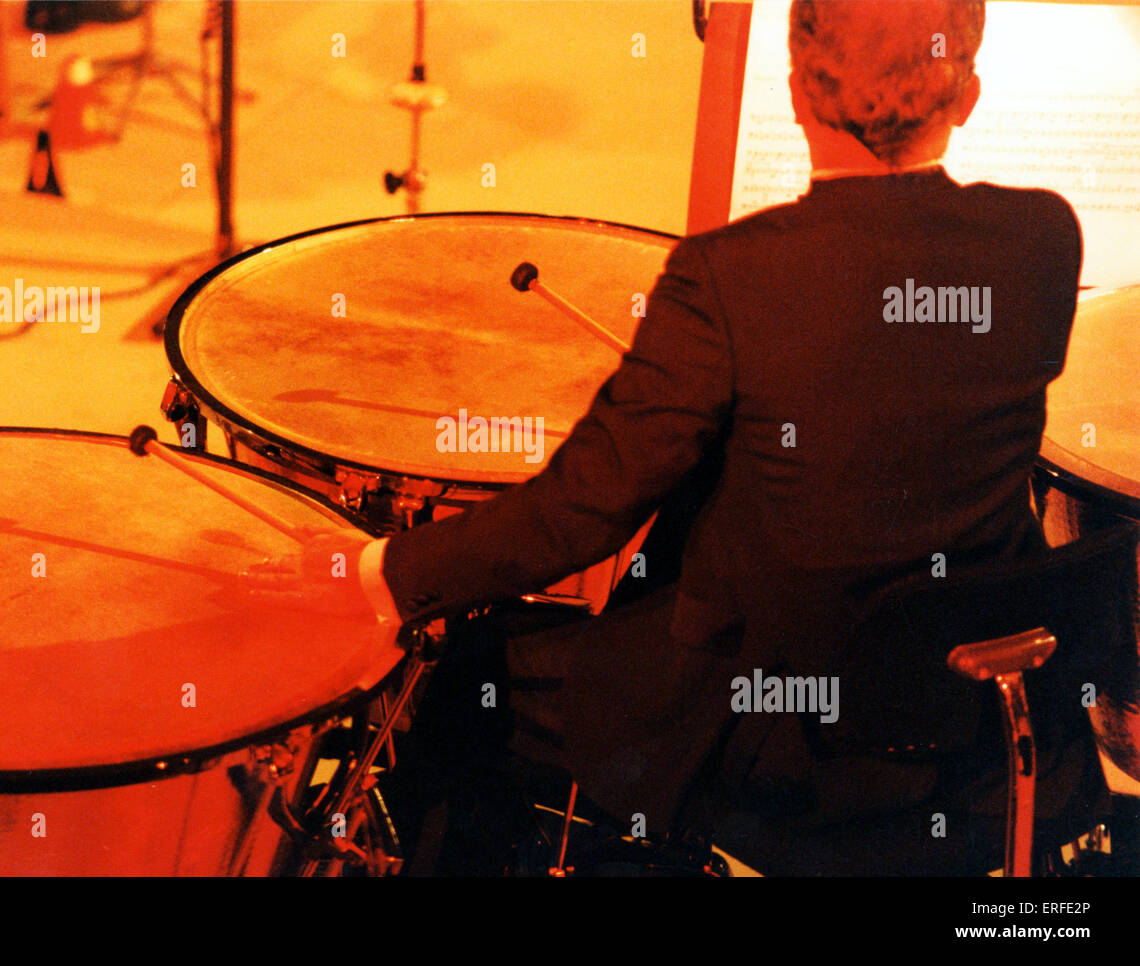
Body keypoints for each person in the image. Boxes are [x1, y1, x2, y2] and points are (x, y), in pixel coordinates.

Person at [263, 0, 1088, 873]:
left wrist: (375, 572)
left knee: (468, 672)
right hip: (972, 710)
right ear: (967, 98)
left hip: (777, 737)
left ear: (798, 92)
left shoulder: (729, 276)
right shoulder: (1043, 238)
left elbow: (580, 517)